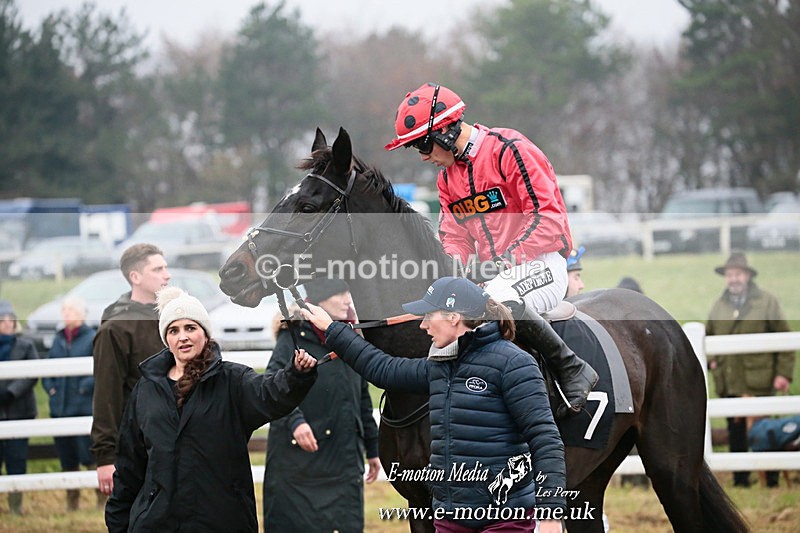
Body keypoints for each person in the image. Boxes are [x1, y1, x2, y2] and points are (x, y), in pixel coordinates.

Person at [385, 82, 597, 416]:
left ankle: (572, 368)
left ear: (445, 131)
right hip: (492, 275)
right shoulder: (446, 181)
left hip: (542, 265)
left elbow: (548, 217)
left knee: (492, 302)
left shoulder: (510, 149)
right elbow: (454, 238)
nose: (424, 156)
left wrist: (504, 260)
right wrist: (450, 269)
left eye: (424, 145)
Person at [302, 276, 567, 533]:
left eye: (429, 316)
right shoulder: (440, 365)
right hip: (450, 518)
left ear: (453, 317)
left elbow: (545, 439)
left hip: (504, 520)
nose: (422, 325)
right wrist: (333, 329)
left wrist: (552, 514)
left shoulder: (515, 364)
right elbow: (382, 369)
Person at [105, 287, 317, 531]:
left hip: (220, 518)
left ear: (205, 334)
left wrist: (296, 374)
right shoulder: (146, 389)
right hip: (158, 521)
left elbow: (270, 394)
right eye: (174, 330)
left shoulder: (232, 381)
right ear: (167, 339)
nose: (182, 336)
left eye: (190, 328)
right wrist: (119, 521)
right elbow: (130, 462)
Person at [263, 278, 380, 532]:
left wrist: (372, 448)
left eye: (348, 293)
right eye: (339, 293)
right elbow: (271, 385)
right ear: (319, 300)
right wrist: (295, 422)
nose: (347, 300)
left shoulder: (351, 339)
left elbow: (361, 397)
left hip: (344, 459)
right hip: (301, 465)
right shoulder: (293, 338)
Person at [706, 251, 795, 488]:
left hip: (759, 380)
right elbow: (708, 337)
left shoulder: (767, 302)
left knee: (766, 433)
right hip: (730, 381)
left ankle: (772, 481)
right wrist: (712, 359)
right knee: (735, 432)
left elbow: (784, 338)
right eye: (729, 274)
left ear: (746, 276)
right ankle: (740, 480)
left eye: (737, 274)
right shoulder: (718, 306)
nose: (733, 278)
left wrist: (783, 374)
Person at [91, 243, 171, 497]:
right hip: (140, 443)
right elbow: (106, 395)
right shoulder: (116, 329)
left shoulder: (174, 317)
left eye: (166, 267)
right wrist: (105, 457)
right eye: (157, 269)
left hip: (180, 437)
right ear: (135, 277)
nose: (167, 275)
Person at [42, 297, 102, 511]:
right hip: (60, 410)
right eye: (64, 309)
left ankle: (101, 500)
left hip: (83, 408)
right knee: (67, 457)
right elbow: (47, 369)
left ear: (81, 313)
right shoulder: (58, 340)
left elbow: (99, 370)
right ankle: (72, 504)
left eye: (71, 309)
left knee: (90, 455)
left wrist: (83, 388)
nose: (66, 313)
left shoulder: (92, 338)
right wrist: (51, 388)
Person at [0, 299, 40, 515]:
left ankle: (16, 506)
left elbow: (31, 373)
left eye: (10, 319)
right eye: (2, 319)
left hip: (19, 409)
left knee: (17, 459)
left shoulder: (26, 345)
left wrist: (11, 393)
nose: (7, 323)